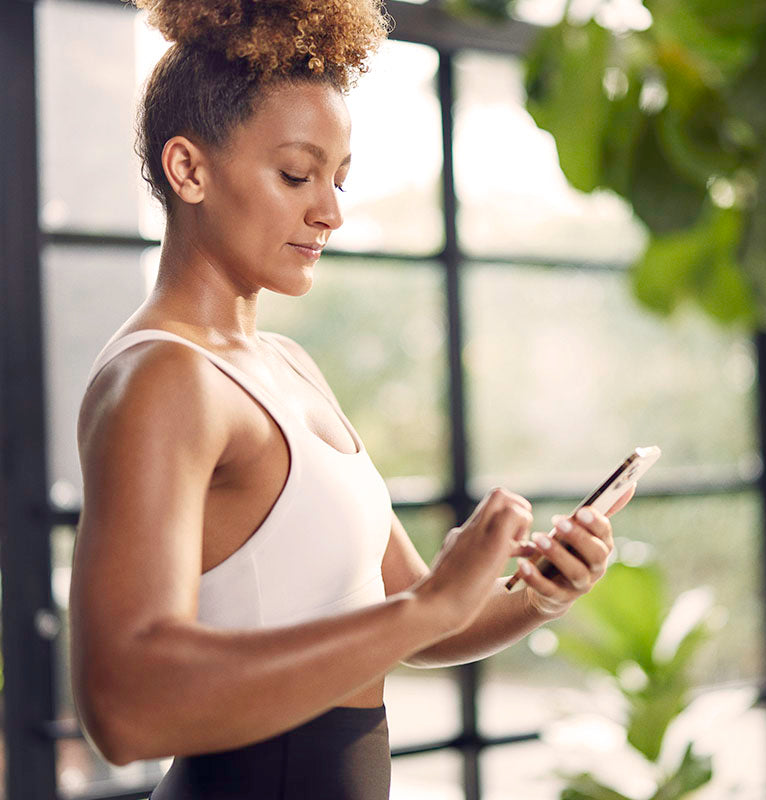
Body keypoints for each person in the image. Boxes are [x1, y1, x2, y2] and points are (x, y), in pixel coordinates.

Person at [68, 1, 633, 798]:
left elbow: (409, 613)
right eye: (297, 175)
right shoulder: (165, 380)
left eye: (339, 178)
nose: (329, 211)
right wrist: (428, 608)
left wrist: (538, 593)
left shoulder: (287, 365)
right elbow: (124, 708)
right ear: (188, 170)